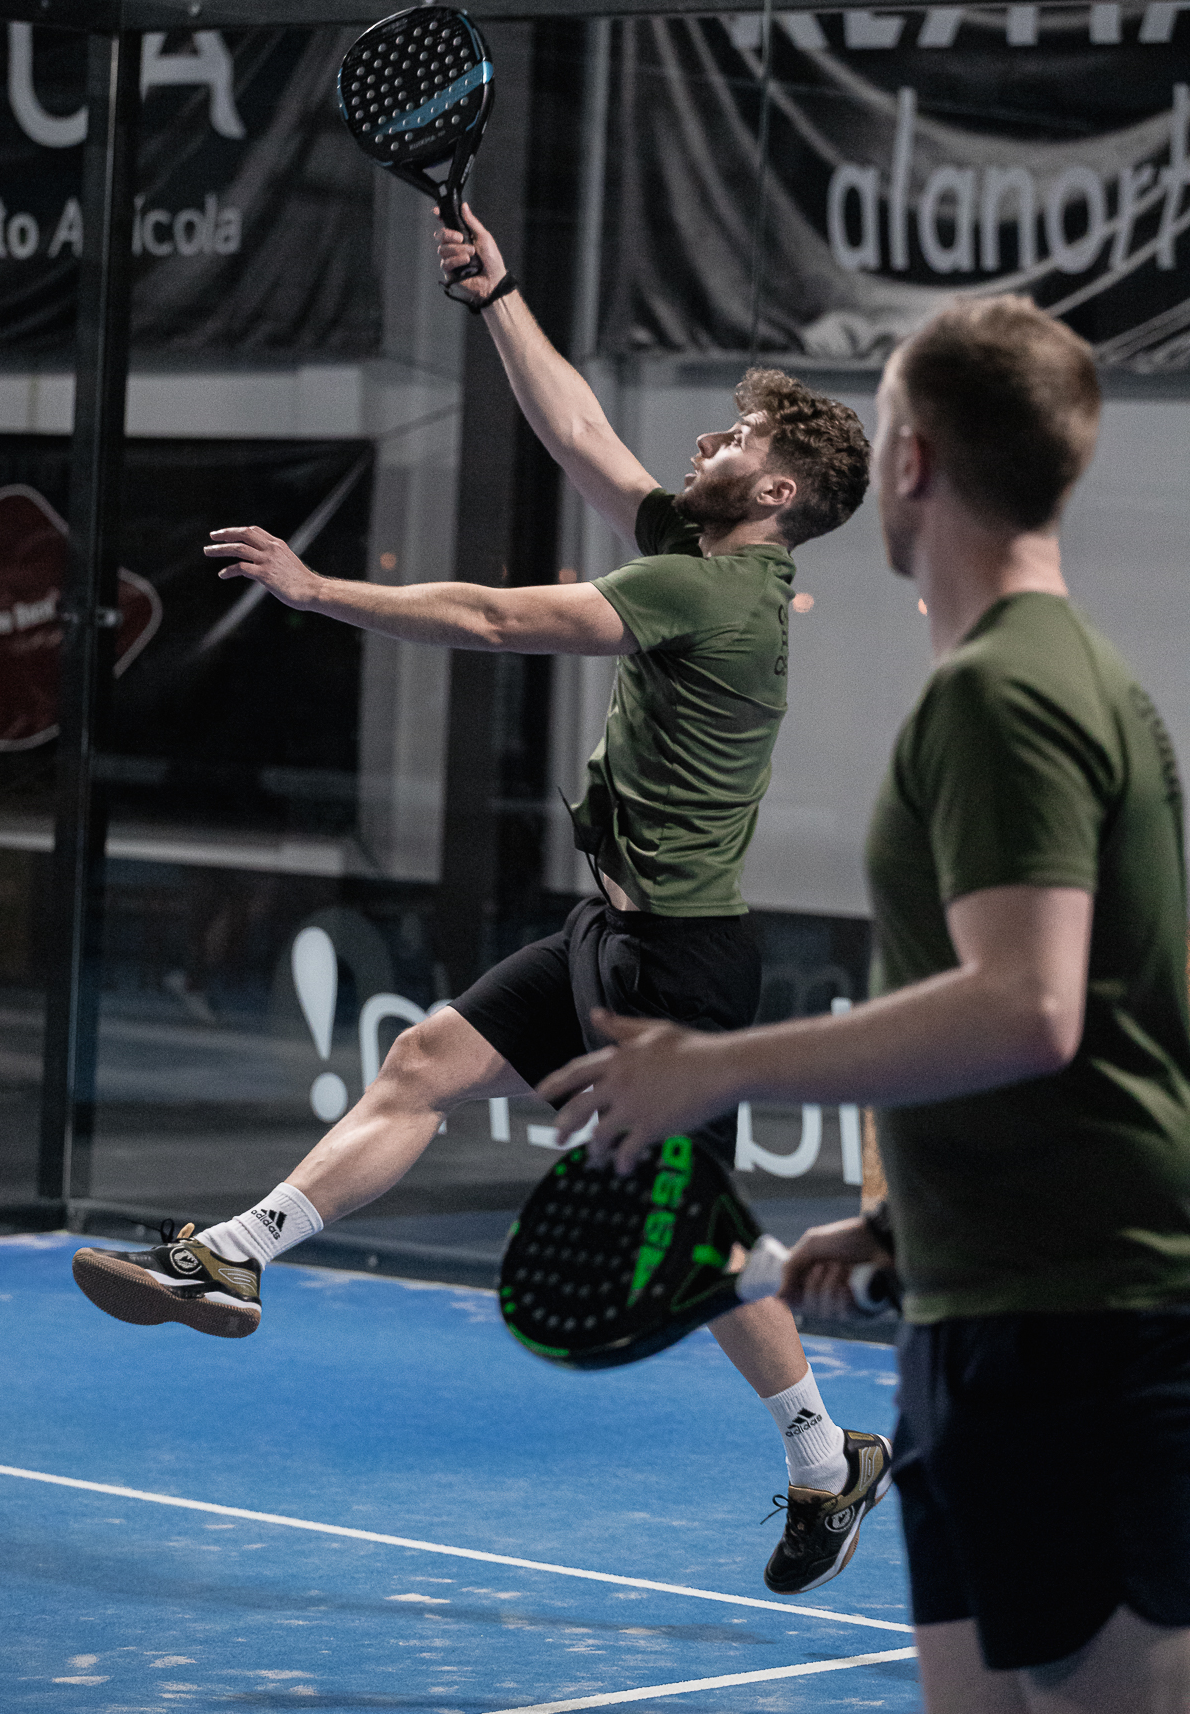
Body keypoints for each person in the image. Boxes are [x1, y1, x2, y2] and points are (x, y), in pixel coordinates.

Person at [72, 202, 886, 1596]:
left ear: (778, 495)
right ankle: (238, 1255)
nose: (710, 438)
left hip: (678, 970)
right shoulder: (696, 555)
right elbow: (579, 433)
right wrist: (499, 293)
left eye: (737, 437)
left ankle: (829, 1457)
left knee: (691, 1242)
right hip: (610, 936)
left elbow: (502, 620)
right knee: (421, 1064)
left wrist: (319, 590)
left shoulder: (717, 597)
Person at [540, 296, 1190, 1712]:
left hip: (1074, 1323)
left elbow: (1030, 1009)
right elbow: (1096, 1012)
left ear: (910, 464)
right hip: (976, 1298)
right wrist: (899, 1226)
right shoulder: (1024, 681)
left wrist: (718, 1067)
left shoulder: (1010, 695)